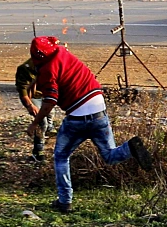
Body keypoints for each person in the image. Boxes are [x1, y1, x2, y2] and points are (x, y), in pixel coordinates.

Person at [26, 36, 153, 213]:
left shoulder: (47, 70)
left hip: (77, 118)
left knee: (61, 157)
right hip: (99, 110)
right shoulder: (62, 51)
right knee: (109, 155)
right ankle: (130, 148)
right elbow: (57, 73)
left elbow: (50, 101)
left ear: (37, 56)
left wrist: (35, 123)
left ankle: (65, 201)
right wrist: (37, 81)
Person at [16, 57, 55, 162]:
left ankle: (48, 131)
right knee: (42, 122)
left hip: (47, 96)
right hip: (33, 97)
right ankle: (38, 152)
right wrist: (30, 105)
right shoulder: (26, 68)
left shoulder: (53, 63)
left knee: (50, 118)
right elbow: (22, 90)